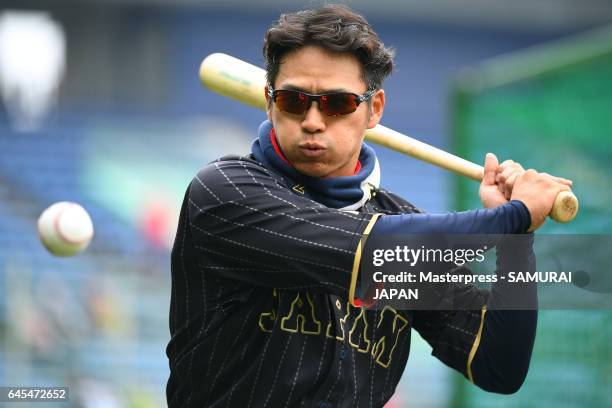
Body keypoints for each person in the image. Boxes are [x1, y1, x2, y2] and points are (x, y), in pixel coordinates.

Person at [165, 5, 572, 407]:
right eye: (293, 100)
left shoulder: (401, 221)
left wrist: (519, 241)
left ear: (373, 109)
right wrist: (514, 214)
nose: (312, 120)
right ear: (269, 102)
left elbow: (498, 367)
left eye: (337, 104)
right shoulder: (225, 192)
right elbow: (372, 252)